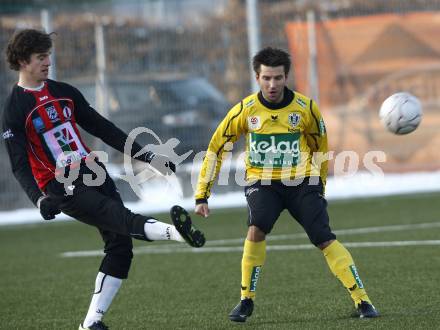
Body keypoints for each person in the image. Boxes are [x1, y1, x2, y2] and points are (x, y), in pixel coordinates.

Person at [2, 29, 205, 330]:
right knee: (119, 217)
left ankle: (90, 324)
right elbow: (19, 164)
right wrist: (39, 198)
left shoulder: (63, 91)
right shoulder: (14, 109)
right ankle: (176, 234)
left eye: (48, 55)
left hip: (92, 172)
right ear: (22, 61)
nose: (48, 61)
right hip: (60, 185)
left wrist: (146, 156)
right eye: (41, 57)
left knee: (120, 246)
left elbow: (103, 128)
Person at [194, 47, 379, 322]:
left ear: (286, 77)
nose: (272, 85)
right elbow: (217, 148)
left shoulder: (306, 108)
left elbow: (320, 147)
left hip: (303, 182)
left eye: (278, 78)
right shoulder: (245, 111)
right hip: (263, 182)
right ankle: (246, 301)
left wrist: (319, 187)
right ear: (257, 77)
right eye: (266, 78)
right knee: (256, 228)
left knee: (323, 236)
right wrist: (202, 194)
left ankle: (363, 301)